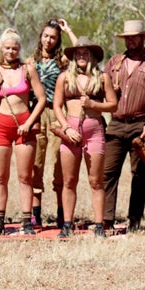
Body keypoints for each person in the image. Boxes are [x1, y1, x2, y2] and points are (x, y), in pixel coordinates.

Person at [103, 19, 145, 232]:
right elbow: (100, 89)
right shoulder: (114, 63)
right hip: (116, 124)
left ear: (143, 38)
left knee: (140, 174)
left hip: (141, 126)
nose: (131, 41)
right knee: (107, 172)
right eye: (128, 38)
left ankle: (134, 220)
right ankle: (106, 219)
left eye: (135, 37)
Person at [0, 29, 47, 234]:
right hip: (2, 126)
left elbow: (42, 99)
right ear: (1, 49)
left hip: (24, 124)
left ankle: (27, 221)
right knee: (0, 176)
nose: (11, 51)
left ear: (19, 49)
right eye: (7, 48)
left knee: (25, 176)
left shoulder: (28, 69)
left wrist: (29, 122)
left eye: (14, 48)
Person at [53, 37, 117, 237]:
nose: (81, 56)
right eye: (78, 53)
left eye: (85, 53)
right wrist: (66, 128)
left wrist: (93, 105)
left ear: (93, 56)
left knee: (96, 181)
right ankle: (67, 224)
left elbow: (113, 105)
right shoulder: (64, 77)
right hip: (70, 132)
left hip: (94, 131)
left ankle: (99, 225)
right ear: (73, 56)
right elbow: (57, 105)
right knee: (69, 180)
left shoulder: (103, 77)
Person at [30, 17, 77, 228]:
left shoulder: (63, 61)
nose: (48, 40)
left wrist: (68, 30)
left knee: (60, 161)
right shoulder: (31, 61)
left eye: (53, 37)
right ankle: (35, 213)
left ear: (58, 40)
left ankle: (61, 211)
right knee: (36, 162)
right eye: (46, 36)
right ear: (40, 37)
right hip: (36, 114)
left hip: (57, 113)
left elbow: (80, 51)